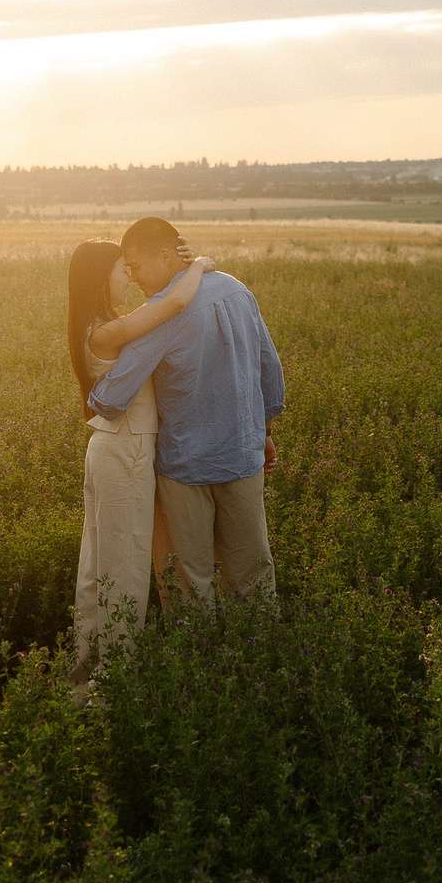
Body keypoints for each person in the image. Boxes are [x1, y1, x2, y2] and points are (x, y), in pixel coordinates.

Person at [87, 216, 284, 605]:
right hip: (244, 457)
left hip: (185, 469)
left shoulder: (162, 313)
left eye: (136, 266)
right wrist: (265, 433)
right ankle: (259, 643)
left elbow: (110, 399)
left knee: (189, 582)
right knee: (253, 575)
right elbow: (270, 369)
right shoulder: (237, 289)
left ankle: (196, 645)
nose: (134, 277)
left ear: (165, 256)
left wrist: (93, 364)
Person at [64, 236, 213, 684]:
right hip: (124, 450)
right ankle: (115, 673)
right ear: (100, 278)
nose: (128, 278)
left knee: (98, 562)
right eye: (121, 270)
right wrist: (199, 264)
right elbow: (175, 302)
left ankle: (88, 661)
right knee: (124, 561)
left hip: (110, 447)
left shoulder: (99, 325)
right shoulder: (107, 332)